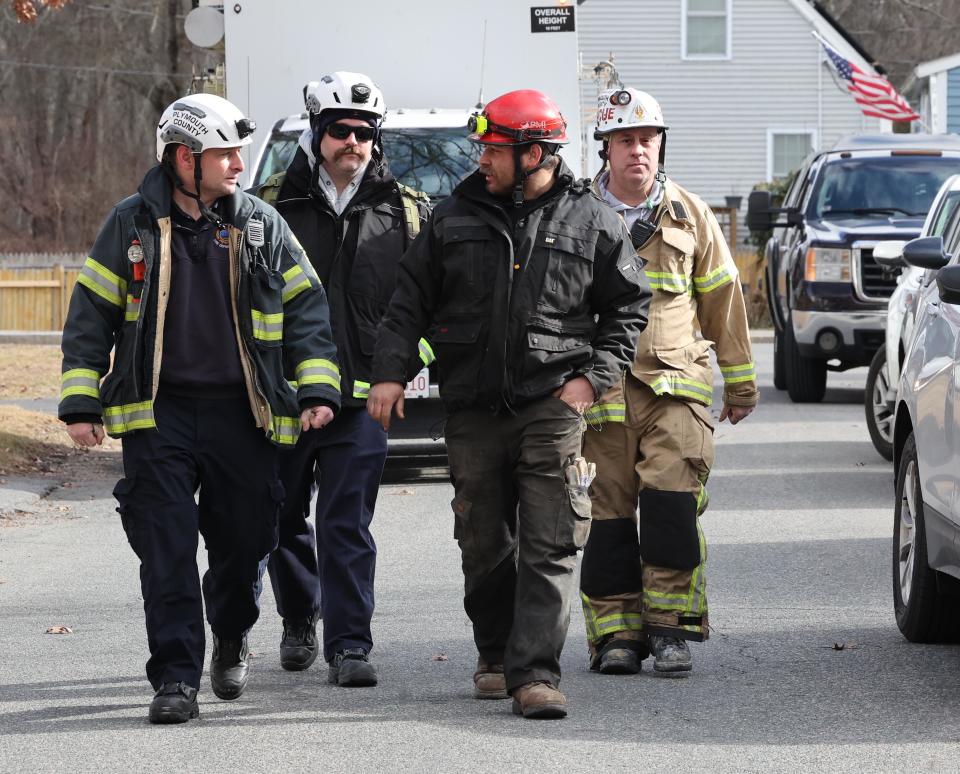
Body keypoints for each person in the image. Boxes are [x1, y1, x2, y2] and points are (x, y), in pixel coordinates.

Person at [367, 89, 650, 719]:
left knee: (549, 541)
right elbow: (409, 299)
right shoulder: (453, 215)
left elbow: (629, 306)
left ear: (534, 153)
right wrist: (390, 373)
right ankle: (494, 655)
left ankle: (535, 676)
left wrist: (593, 379)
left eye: (493, 149)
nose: (482, 159)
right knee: (483, 540)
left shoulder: (590, 219)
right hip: (471, 408)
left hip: (552, 403)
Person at [58, 93, 341, 724]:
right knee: (168, 552)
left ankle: (232, 631)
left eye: (239, 151)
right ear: (184, 159)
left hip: (245, 416)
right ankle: (176, 680)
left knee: (246, 543)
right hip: (155, 418)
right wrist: (81, 399)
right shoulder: (130, 225)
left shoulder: (264, 226)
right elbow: (89, 317)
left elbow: (309, 314)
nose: (238, 163)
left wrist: (317, 389)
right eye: (224, 153)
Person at [255, 72, 430, 687]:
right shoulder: (270, 206)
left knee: (345, 524)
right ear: (317, 131)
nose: (352, 141)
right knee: (279, 519)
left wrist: (401, 369)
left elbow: (423, 304)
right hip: (285, 400)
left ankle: (350, 645)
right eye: (339, 130)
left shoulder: (405, 210)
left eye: (363, 131)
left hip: (362, 400)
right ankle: (300, 618)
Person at [579, 87, 758, 676]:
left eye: (647, 139)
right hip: (602, 389)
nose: (638, 151)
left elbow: (723, 299)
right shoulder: (577, 213)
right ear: (605, 148)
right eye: (625, 140)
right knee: (606, 515)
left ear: (661, 145)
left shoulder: (691, 213)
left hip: (676, 383)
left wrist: (740, 383)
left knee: (670, 507)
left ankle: (666, 629)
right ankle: (614, 636)